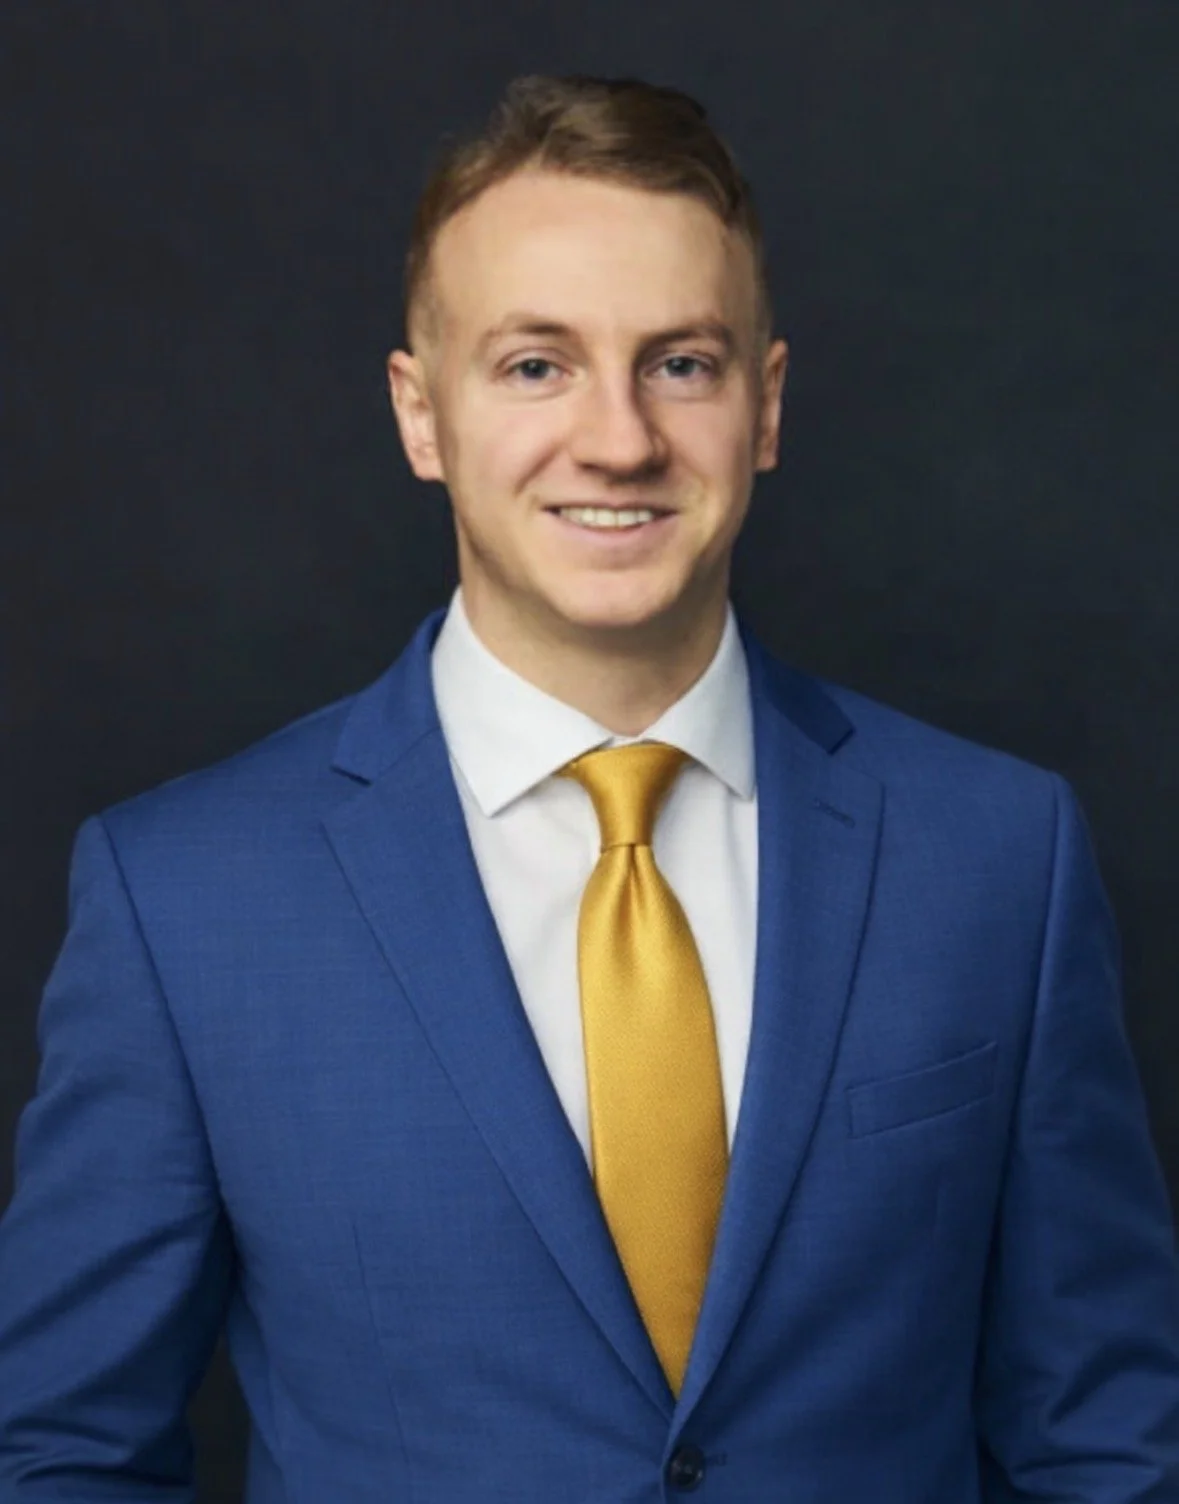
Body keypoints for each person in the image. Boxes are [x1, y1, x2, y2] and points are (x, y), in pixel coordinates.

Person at [1, 71, 1178, 1504]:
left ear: (765, 403)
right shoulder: (182, 899)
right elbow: (62, 1453)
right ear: (420, 413)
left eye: (680, 362)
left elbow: (1104, 1439)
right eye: (534, 364)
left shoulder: (998, 855)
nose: (617, 439)